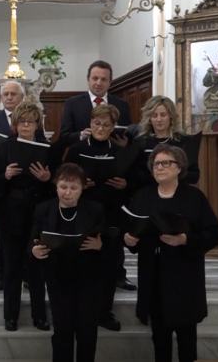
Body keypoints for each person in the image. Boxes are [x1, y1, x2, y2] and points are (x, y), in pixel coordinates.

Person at [124, 144, 218, 362]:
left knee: (186, 337)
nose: (159, 167)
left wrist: (185, 239)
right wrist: (130, 240)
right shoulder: (143, 196)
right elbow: (135, 232)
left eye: (166, 163)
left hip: (184, 274)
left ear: (179, 168)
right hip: (153, 274)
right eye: (156, 164)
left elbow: (215, 233)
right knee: (159, 337)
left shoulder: (193, 197)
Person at [0, 103, 51, 331]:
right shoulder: (4, 149)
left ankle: (39, 316)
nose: (26, 126)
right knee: (11, 268)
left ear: (37, 125)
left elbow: (57, 185)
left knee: (37, 268)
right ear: (15, 125)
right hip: (10, 213)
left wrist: (46, 178)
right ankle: (10, 316)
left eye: (30, 122)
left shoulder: (46, 148)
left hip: (37, 214)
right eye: (22, 122)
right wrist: (5, 175)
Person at [64, 104, 133, 332]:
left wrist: (125, 184)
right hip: (82, 215)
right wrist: (80, 185)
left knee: (108, 266)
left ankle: (105, 311)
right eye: (97, 123)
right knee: (81, 265)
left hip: (111, 215)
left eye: (106, 124)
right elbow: (64, 181)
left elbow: (131, 186)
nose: (101, 128)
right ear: (90, 123)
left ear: (113, 127)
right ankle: (78, 310)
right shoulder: (76, 150)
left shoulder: (121, 152)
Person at [31, 163, 105, 362]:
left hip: (88, 278)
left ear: (82, 189)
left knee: (87, 330)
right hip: (57, 277)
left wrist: (100, 245)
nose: (68, 192)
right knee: (62, 329)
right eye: (63, 186)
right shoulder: (43, 209)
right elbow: (33, 239)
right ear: (56, 186)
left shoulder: (95, 209)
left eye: (74, 188)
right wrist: (34, 250)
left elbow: (109, 243)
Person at [0, 80, 33, 291]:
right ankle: (1, 275)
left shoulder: (30, 118)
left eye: (13, 94)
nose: (9, 97)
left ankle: (28, 274)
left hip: (26, 182)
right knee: (3, 235)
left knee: (28, 233)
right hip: (4, 180)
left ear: (21, 97)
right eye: (6, 94)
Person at [132, 96, 200, 188]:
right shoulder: (141, 142)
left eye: (163, 115)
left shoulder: (185, 141)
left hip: (179, 193)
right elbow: (137, 175)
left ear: (171, 116)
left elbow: (194, 176)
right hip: (149, 193)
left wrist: (170, 175)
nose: (159, 119)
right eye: (154, 115)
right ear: (149, 119)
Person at [60, 60, 132, 145]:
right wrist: (81, 135)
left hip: (113, 155)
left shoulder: (122, 105)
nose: (99, 83)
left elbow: (129, 133)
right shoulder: (72, 104)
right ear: (88, 79)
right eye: (95, 78)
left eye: (103, 79)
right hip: (82, 154)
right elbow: (63, 137)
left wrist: (126, 142)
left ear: (110, 82)